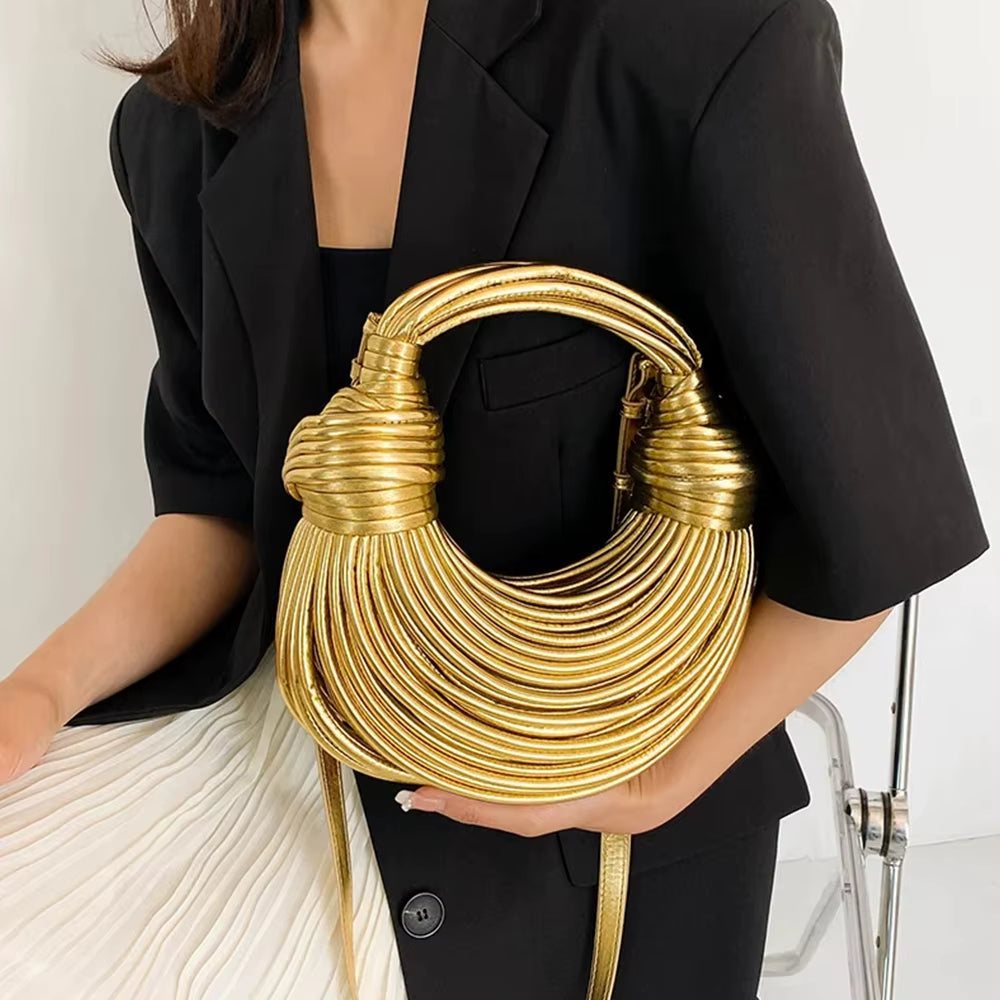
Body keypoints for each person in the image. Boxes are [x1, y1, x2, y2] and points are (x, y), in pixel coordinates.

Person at [0, 0, 988, 997]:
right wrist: (35, 694)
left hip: (600, 841)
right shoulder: (176, 130)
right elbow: (219, 506)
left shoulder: (692, 41)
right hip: (303, 767)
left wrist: (654, 782)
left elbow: (874, 521)